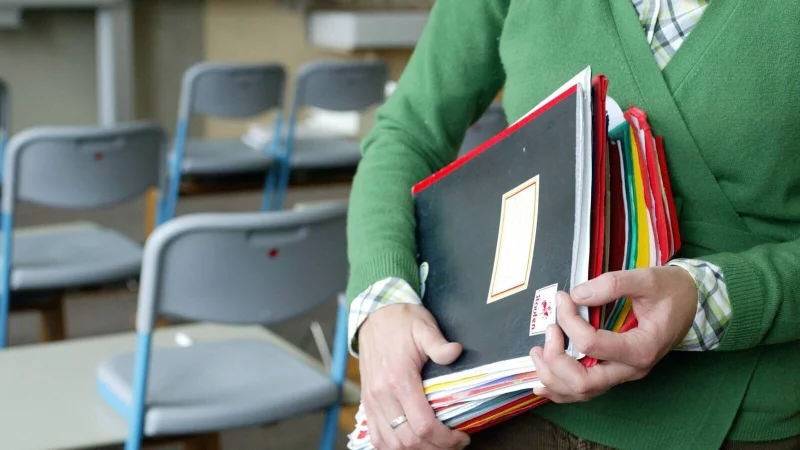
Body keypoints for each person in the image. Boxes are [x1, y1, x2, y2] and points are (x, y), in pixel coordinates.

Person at [346, 0, 800, 449]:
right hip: (500, 398)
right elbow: (405, 134)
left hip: (740, 416)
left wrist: (709, 299)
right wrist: (381, 299)